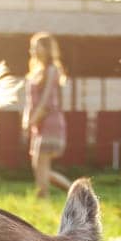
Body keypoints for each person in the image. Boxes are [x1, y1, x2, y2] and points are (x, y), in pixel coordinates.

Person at [23, 32, 73, 198]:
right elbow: (30, 101)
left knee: (41, 163)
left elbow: (45, 101)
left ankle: (43, 197)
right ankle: (75, 192)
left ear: (46, 49)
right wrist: (27, 121)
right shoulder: (35, 72)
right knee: (40, 166)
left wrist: (33, 120)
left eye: (37, 47)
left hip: (49, 121)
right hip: (37, 122)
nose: (34, 51)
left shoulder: (52, 70)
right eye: (32, 48)